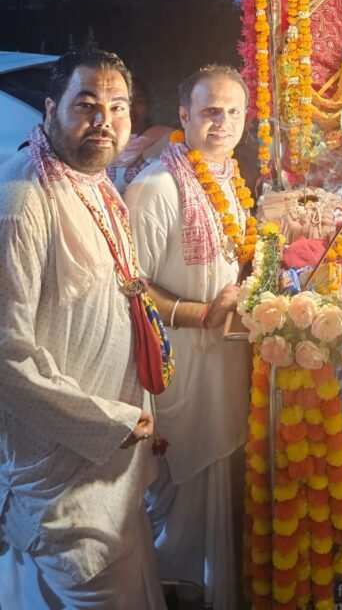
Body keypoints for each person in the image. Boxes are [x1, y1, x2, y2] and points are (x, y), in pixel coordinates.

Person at [0, 48, 166, 610]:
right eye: (86, 104)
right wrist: (109, 421)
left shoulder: (92, 183)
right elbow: (6, 357)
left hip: (113, 462)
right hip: (67, 470)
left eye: (118, 107)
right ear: (51, 109)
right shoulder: (23, 200)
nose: (104, 120)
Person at [125, 64, 255, 610]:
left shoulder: (227, 178)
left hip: (222, 367)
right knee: (177, 499)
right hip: (177, 369)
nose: (222, 122)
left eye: (233, 112)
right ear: (184, 115)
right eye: (210, 111)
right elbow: (129, 288)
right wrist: (201, 313)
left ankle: (212, 592)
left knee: (219, 487)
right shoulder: (154, 188)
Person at [109, 77, 173, 193]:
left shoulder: (165, 139)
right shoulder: (102, 141)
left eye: (138, 102)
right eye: (125, 103)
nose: (131, 109)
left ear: (148, 105)